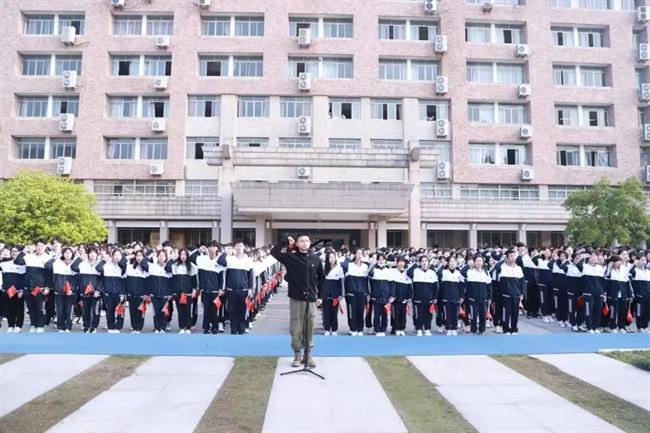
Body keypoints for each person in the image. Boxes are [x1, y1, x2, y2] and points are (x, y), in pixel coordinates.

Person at [271, 235, 324, 368]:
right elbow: (274, 252)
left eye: (307, 241)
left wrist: (320, 296)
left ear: (310, 243)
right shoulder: (291, 257)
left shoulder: (315, 259)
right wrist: (285, 241)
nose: (304, 243)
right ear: (297, 243)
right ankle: (297, 354)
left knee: (310, 326)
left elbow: (322, 279)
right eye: (301, 241)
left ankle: (308, 354)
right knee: (296, 327)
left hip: (311, 299)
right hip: (296, 298)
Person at [14, 240, 53, 333]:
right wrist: (24, 251)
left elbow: (50, 275)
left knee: (40, 308)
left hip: (40, 287)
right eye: (38, 246)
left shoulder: (49, 258)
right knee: (30, 307)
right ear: (35, 247)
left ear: (45, 247)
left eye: (42, 246)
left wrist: (47, 287)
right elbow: (17, 261)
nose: (39, 248)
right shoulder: (29, 257)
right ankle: (33, 324)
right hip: (28, 286)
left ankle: (40, 325)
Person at [218, 241, 255, 335]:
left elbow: (251, 276)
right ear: (234, 248)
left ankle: (241, 330)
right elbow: (220, 261)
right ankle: (233, 331)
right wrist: (225, 252)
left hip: (243, 291)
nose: (239, 247)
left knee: (242, 311)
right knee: (232, 311)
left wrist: (251, 288)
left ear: (244, 247)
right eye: (237, 246)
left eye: (240, 245)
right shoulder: (230, 259)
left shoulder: (248, 260)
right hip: (231, 291)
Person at [191, 241, 225, 334]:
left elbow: (221, 277)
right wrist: (198, 250)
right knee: (205, 309)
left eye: (213, 247)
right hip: (204, 289)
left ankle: (214, 327)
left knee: (214, 310)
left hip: (215, 290)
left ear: (217, 248)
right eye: (209, 247)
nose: (211, 249)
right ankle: (206, 327)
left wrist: (221, 289)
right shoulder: (202, 259)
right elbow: (191, 257)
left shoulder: (219, 260)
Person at [44, 247, 76, 332]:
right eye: (65, 252)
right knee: (59, 310)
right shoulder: (57, 263)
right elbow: (47, 265)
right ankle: (60, 327)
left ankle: (68, 327)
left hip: (70, 292)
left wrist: (72, 289)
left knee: (69, 310)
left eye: (69, 252)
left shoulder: (74, 264)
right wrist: (55, 258)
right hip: (59, 290)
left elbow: (77, 279)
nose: (67, 254)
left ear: (72, 254)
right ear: (62, 254)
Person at [71, 247, 102, 333]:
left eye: (94, 253)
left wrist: (98, 290)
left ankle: (94, 326)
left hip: (96, 292)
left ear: (97, 254)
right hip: (84, 291)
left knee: (95, 310)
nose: (92, 254)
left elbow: (102, 279)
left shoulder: (100, 265)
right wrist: (79, 258)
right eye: (90, 253)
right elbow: (73, 267)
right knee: (85, 310)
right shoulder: (83, 264)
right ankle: (86, 326)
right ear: (88, 254)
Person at [167, 248, 198, 334]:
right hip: (178, 292)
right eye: (181, 254)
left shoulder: (192, 266)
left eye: (185, 254)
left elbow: (194, 280)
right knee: (180, 310)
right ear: (179, 256)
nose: (183, 256)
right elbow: (171, 276)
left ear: (187, 256)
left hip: (188, 292)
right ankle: (181, 327)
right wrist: (171, 258)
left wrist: (194, 290)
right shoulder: (175, 265)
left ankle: (188, 327)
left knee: (187, 310)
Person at [494, 249, 525, 335]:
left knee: (515, 313)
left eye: (514, 256)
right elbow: (496, 282)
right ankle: (506, 329)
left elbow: (522, 282)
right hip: (505, 295)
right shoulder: (501, 267)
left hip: (516, 295)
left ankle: (514, 329)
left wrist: (522, 293)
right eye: (511, 256)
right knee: (506, 313)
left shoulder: (518, 268)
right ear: (507, 258)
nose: (513, 258)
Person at [96, 249, 127, 333]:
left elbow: (124, 282)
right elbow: (98, 268)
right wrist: (104, 260)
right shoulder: (106, 265)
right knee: (109, 311)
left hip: (119, 294)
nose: (117, 257)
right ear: (112, 256)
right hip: (108, 293)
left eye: (119, 255)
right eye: (115, 255)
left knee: (120, 311)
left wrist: (123, 293)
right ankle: (110, 327)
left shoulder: (123, 267)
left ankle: (118, 327)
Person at [407, 255, 438, 336]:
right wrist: (415, 264)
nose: (424, 263)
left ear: (428, 263)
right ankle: (419, 329)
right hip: (418, 298)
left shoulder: (432, 272)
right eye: (422, 261)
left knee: (429, 314)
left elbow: (435, 286)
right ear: (420, 263)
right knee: (418, 314)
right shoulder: (415, 271)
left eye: (426, 261)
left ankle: (427, 329)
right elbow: (408, 272)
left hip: (429, 298)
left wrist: (435, 297)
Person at [341, 248, 369, 336]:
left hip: (362, 293)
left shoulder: (365, 266)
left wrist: (367, 292)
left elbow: (367, 280)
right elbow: (342, 265)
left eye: (361, 254)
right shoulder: (349, 265)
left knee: (360, 311)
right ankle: (352, 328)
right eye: (358, 253)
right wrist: (349, 257)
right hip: (351, 293)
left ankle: (360, 329)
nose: (359, 255)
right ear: (354, 254)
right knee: (352, 311)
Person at [462, 254, 492, 335]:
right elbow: (462, 273)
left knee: (483, 315)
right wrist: (469, 265)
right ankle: (474, 330)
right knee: (473, 315)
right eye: (477, 261)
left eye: (481, 261)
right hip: (473, 298)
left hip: (484, 298)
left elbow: (489, 286)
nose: (479, 263)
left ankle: (482, 330)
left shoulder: (486, 273)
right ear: (474, 262)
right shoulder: (470, 272)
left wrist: (489, 297)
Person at [1, 245, 26, 333]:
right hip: (8, 291)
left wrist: (22, 290)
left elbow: (24, 278)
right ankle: (10, 325)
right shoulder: (4, 264)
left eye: (16, 251)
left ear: (19, 253)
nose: (14, 253)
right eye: (12, 251)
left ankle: (18, 326)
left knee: (19, 309)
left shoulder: (23, 264)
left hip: (18, 291)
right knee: (9, 308)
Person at [367, 253, 393, 337]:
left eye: (383, 259)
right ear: (377, 260)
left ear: (385, 260)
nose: (381, 261)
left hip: (386, 296)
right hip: (376, 296)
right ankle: (377, 329)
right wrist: (373, 264)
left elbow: (391, 284)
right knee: (377, 314)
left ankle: (383, 329)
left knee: (385, 314)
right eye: (379, 259)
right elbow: (369, 273)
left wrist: (391, 295)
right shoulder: (374, 269)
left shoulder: (388, 270)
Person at [437, 256, 463, 336]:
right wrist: (443, 265)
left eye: (454, 261)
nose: (452, 263)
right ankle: (448, 328)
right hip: (446, 297)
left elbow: (462, 286)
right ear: (448, 263)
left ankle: (454, 328)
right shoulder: (444, 272)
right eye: (451, 261)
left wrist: (462, 296)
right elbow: (438, 273)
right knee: (447, 314)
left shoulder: (458, 273)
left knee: (455, 314)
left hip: (456, 297)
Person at [580, 252, 605, 334]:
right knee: (588, 310)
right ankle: (589, 327)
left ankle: (595, 327)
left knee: (598, 310)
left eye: (596, 257)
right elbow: (578, 264)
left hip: (599, 293)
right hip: (588, 293)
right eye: (592, 257)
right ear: (588, 258)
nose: (594, 258)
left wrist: (603, 293)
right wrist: (583, 258)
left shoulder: (600, 268)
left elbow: (603, 281)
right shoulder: (584, 266)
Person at [148, 250, 172, 333]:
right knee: (156, 312)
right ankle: (157, 327)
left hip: (164, 294)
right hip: (154, 294)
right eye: (160, 255)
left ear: (166, 257)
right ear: (157, 257)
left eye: (163, 256)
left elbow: (171, 283)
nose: (161, 257)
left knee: (164, 312)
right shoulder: (152, 267)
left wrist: (169, 293)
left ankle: (163, 328)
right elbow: (149, 281)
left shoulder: (168, 268)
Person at [125, 249, 148, 333]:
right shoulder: (130, 267)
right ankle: (134, 327)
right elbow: (127, 280)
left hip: (141, 295)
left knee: (140, 312)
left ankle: (139, 328)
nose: (139, 257)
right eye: (137, 255)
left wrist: (146, 294)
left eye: (141, 256)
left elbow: (148, 283)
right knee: (132, 311)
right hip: (131, 294)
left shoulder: (147, 268)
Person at [322, 250, 344, 335]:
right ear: (327, 259)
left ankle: (334, 329)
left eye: (333, 257)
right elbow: (321, 282)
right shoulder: (323, 267)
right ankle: (327, 328)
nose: (332, 259)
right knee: (326, 312)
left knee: (334, 312)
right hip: (325, 293)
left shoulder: (339, 269)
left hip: (335, 294)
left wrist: (341, 294)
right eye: (330, 257)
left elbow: (341, 283)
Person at [391, 256, 413, 336]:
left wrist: (409, 297)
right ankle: (395, 328)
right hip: (395, 297)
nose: (401, 263)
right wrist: (392, 296)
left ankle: (402, 328)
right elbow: (392, 285)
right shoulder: (393, 272)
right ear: (397, 263)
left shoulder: (407, 273)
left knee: (403, 313)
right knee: (395, 314)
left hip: (404, 297)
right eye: (399, 262)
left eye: (402, 262)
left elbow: (409, 286)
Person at [630, 255, 650, 333]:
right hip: (639, 294)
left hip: (648, 294)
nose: (644, 262)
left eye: (645, 260)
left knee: (647, 311)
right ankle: (640, 326)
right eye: (642, 260)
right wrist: (634, 265)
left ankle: (645, 325)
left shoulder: (648, 271)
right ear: (638, 261)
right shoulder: (635, 270)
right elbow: (630, 273)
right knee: (639, 311)